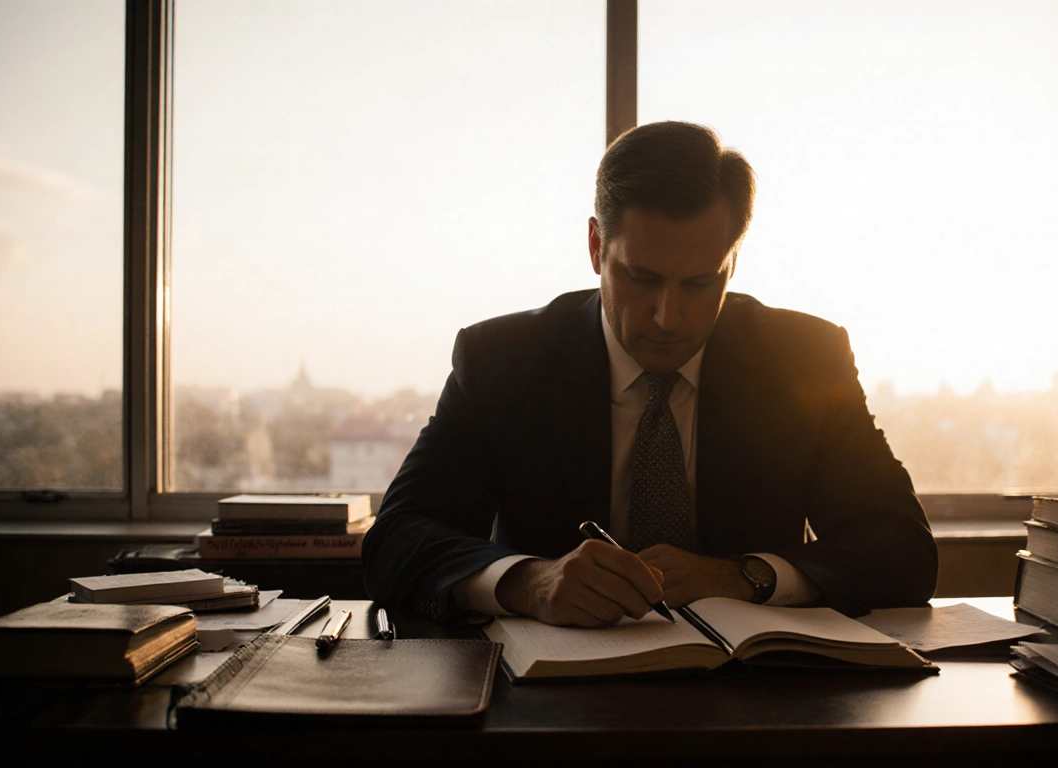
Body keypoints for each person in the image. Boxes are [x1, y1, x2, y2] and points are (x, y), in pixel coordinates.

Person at [362, 121, 937, 627]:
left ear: (733, 262)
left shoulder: (803, 358)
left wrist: (746, 576)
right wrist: (528, 582)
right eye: (642, 278)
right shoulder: (504, 361)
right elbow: (395, 539)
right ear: (596, 247)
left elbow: (904, 548)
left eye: (700, 283)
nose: (668, 317)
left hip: (758, 693)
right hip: (546, 697)